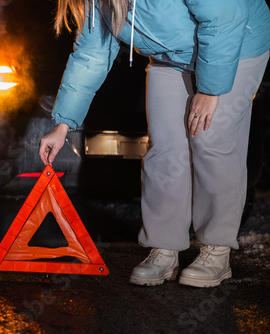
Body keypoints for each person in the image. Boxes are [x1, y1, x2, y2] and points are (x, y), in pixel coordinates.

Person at [39, 0, 270, 287]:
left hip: (236, 42)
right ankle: (164, 248)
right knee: (164, 150)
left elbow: (225, 16)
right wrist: (63, 125)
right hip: (171, 58)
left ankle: (216, 251)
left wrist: (211, 91)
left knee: (211, 142)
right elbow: (91, 55)